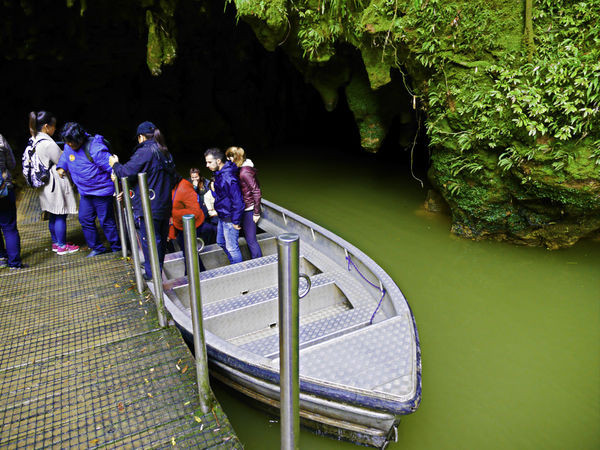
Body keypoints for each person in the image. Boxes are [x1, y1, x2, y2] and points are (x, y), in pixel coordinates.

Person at [110, 121, 176, 280]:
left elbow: (126, 172)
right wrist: (130, 193)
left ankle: (153, 276)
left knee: (150, 243)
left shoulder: (145, 152)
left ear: (141, 137)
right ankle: (156, 273)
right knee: (158, 241)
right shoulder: (164, 151)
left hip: (149, 207)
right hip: (163, 205)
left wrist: (115, 164)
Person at [57, 122, 120, 256]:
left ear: (80, 139)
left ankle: (117, 247)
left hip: (101, 191)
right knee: (85, 219)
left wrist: (117, 182)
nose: (69, 145)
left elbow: (112, 167)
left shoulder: (95, 148)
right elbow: (65, 156)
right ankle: (97, 248)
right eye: (67, 142)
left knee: (106, 221)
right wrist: (61, 167)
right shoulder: (69, 145)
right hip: (85, 192)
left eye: (72, 143)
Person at [29, 111, 79, 255]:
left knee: (52, 214)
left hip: (44, 184)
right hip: (53, 182)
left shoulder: (34, 139)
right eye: (53, 126)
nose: (55, 129)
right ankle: (62, 246)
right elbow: (61, 160)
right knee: (60, 214)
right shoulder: (47, 143)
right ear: (46, 126)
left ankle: (56, 243)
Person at [204, 148, 244, 264]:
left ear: (218, 161)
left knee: (232, 248)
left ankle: (238, 270)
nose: (207, 165)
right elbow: (222, 195)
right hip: (222, 215)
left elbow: (238, 201)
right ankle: (234, 263)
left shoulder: (228, 178)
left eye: (209, 162)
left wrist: (236, 221)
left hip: (229, 218)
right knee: (221, 242)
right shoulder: (219, 174)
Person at [225, 146, 263, 259]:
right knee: (247, 238)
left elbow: (256, 191)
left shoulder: (244, 172)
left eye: (229, 157)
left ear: (235, 157)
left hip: (249, 209)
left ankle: (259, 262)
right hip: (244, 207)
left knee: (251, 240)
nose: (228, 160)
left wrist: (256, 213)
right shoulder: (240, 169)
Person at [168, 174, 206, 273]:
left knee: (190, 253)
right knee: (188, 253)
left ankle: (193, 275)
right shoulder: (172, 187)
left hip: (192, 226)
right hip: (180, 225)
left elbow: (195, 212)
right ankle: (196, 272)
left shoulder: (184, 188)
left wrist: (173, 213)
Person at [0, 133, 27, 269]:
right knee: (9, 227)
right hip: (3, 190)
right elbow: (12, 164)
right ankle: (14, 263)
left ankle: (1, 258)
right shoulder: (0, 139)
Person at [189, 167, 217, 244]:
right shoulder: (189, 184)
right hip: (197, 208)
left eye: (196, 177)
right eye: (193, 177)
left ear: (200, 176)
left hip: (207, 207)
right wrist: (194, 187)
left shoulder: (206, 183)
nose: (195, 179)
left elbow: (211, 194)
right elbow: (190, 196)